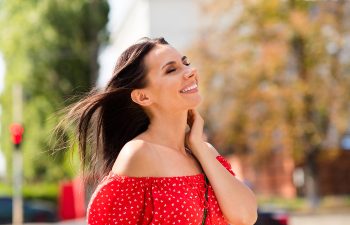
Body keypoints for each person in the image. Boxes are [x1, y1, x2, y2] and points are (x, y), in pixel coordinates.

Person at [65, 37, 257, 224]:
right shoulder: (140, 153)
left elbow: (245, 217)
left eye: (186, 63)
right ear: (143, 96)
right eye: (171, 70)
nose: (190, 71)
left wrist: (198, 145)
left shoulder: (204, 152)